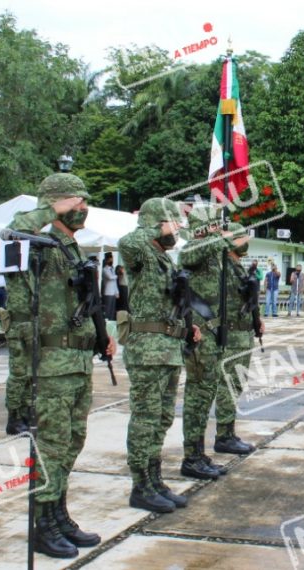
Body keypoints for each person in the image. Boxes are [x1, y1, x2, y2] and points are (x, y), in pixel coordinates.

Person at [4, 172, 115, 558]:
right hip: (50, 362)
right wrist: (48, 210)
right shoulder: (36, 241)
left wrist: (102, 337)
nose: (83, 207)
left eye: (84, 200)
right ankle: (42, 522)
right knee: (50, 445)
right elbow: (11, 232)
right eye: (75, 200)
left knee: (71, 443)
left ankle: (58, 512)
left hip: (78, 361)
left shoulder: (70, 247)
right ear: (54, 202)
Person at [117, 198, 193, 514]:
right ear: (155, 222)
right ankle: (140, 486)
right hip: (147, 349)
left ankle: (154, 479)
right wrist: (151, 222)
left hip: (168, 348)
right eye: (172, 223)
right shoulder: (141, 251)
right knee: (145, 418)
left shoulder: (164, 258)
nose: (176, 229)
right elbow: (126, 241)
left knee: (161, 418)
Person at [178, 223, 260, 480]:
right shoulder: (216, 262)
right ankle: (218, 438)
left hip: (239, 332)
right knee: (221, 387)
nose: (245, 242)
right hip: (224, 334)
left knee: (233, 385)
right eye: (242, 237)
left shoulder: (233, 266)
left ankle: (220, 437)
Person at [102, 256, 119, 320]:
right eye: (110, 260)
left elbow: (114, 282)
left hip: (113, 292)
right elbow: (110, 277)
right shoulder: (105, 269)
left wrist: (117, 292)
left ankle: (111, 323)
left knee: (112, 310)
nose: (111, 261)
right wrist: (117, 275)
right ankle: (106, 323)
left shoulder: (112, 269)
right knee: (107, 310)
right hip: (108, 292)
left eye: (112, 260)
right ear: (106, 261)